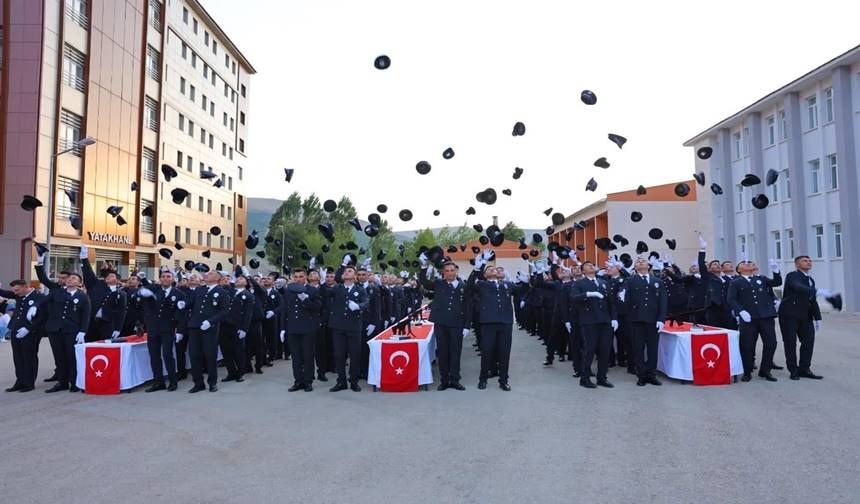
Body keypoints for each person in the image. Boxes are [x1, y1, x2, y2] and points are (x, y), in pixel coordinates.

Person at [467, 250, 525, 391]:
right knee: (487, 351)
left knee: (504, 352)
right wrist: (478, 268)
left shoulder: (507, 284)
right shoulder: (482, 284)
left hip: (505, 323)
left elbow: (522, 290)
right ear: (485, 275)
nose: (493, 269)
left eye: (494, 268)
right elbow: (469, 287)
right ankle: (483, 379)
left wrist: (528, 279)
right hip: (488, 323)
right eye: (490, 269)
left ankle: (503, 380)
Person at [35, 250, 90, 393]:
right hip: (55, 329)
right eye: (69, 278)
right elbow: (43, 301)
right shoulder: (57, 291)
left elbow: (85, 315)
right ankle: (62, 382)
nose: (70, 280)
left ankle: (74, 382)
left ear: (79, 283)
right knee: (59, 357)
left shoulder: (83, 297)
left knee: (71, 357)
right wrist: (33, 307)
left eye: (73, 278)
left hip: (71, 331)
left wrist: (83, 331)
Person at [418, 257, 471, 391]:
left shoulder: (463, 287)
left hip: (457, 324)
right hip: (441, 323)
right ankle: (444, 380)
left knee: (455, 352)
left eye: (452, 270)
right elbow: (424, 282)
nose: (450, 273)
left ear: (456, 272)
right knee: (442, 352)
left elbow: (468, 307)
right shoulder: (439, 284)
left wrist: (467, 326)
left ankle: (454, 379)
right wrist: (424, 266)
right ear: (443, 272)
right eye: (447, 271)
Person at [727, 259, 782, 382]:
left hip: (766, 316)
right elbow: (731, 299)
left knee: (771, 343)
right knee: (747, 345)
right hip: (748, 319)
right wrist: (740, 311)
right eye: (744, 264)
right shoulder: (736, 282)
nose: (748, 264)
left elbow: (777, 282)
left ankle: (765, 370)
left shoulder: (761, 278)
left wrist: (775, 270)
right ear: (739, 270)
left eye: (749, 263)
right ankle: (747, 371)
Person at [567, 261, 618, 388]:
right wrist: (588, 294)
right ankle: (584, 378)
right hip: (589, 321)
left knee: (605, 350)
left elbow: (611, 302)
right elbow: (573, 297)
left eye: (592, 265)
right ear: (583, 271)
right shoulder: (579, 283)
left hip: (605, 321)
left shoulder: (603, 282)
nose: (591, 266)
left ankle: (602, 377)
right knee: (589, 351)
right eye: (587, 266)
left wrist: (614, 318)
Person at [138, 269, 186, 392]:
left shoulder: (179, 294)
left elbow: (180, 314)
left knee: (167, 355)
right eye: (163, 276)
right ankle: (158, 382)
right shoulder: (155, 290)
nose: (165, 278)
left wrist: (180, 330)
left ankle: (173, 381)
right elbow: (145, 304)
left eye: (168, 276)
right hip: (153, 328)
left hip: (168, 328)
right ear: (160, 279)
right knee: (154, 356)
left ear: (173, 279)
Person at [623, 257, 667, 387]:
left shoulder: (657, 281)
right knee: (638, 349)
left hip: (653, 321)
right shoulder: (630, 280)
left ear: (649, 266)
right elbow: (625, 299)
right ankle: (641, 375)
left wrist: (661, 319)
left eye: (643, 261)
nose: (641, 262)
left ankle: (651, 374)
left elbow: (663, 302)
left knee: (653, 349)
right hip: (636, 320)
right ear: (635, 267)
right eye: (638, 262)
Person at [778, 256, 824, 380]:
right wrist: (814, 290)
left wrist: (818, 318)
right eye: (805, 260)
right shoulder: (792, 276)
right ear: (797, 264)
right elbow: (797, 286)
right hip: (789, 315)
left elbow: (812, 301)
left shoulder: (810, 280)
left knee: (808, 342)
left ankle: (804, 369)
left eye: (810, 260)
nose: (809, 262)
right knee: (790, 342)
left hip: (806, 316)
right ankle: (793, 370)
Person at [329, 261, 369, 392]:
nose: (347, 272)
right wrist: (341, 266)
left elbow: (366, 302)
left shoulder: (360, 289)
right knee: (339, 355)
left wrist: (359, 306)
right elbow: (325, 291)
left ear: (355, 276)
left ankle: (353, 381)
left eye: (350, 271)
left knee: (355, 355)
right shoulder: (337, 288)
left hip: (354, 327)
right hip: (338, 327)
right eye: (345, 271)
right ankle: (341, 381)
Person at [280, 268, 322, 392]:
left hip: (307, 328)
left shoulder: (312, 290)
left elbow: (317, 308)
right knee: (296, 357)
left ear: (306, 277)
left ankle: (308, 381)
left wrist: (306, 300)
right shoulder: (288, 291)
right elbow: (285, 310)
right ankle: (298, 381)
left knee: (308, 356)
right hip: (293, 328)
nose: (298, 279)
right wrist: (282, 328)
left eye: (301, 276)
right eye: (296, 276)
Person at [186, 270, 228, 393]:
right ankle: (198, 383)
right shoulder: (199, 289)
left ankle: (212, 382)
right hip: (194, 327)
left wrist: (211, 321)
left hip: (209, 328)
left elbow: (224, 311)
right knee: (194, 355)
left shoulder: (222, 292)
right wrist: (183, 304)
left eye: (210, 274)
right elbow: (191, 304)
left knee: (210, 355)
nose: (206, 275)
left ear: (217, 278)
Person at [1, 280, 46, 392]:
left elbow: (43, 316)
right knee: (18, 357)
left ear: (26, 287)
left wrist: (29, 328)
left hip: (30, 332)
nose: (15, 293)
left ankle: (29, 383)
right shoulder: (19, 295)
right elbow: (6, 293)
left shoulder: (38, 297)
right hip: (16, 330)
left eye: (17, 290)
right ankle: (20, 381)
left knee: (29, 357)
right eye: (14, 290)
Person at [80, 246, 127, 342]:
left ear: (118, 280)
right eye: (108, 276)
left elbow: (121, 312)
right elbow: (88, 273)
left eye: (113, 276)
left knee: (105, 350)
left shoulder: (121, 294)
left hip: (107, 325)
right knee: (90, 348)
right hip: (91, 323)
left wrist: (118, 328)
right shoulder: (96, 285)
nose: (110, 278)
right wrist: (84, 258)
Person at [220, 271, 254, 383]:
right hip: (225, 325)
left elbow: (248, 313)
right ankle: (231, 372)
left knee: (238, 351)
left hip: (238, 326)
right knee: (226, 350)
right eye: (237, 279)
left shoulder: (248, 295)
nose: (238, 280)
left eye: (241, 279)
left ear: (246, 283)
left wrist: (244, 329)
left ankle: (240, 373)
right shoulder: (229, 291)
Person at [357, 267, 381, 380]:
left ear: (367, 276)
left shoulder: (373, 288)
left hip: (369, 322)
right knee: (357, 348)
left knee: (367, 348)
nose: (361, 276)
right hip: (357, 321)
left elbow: (377, 308)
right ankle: (358, 371)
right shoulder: (356, 288)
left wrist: (374, 323)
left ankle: (367, 371)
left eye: (363, 274)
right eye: (359, 274)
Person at [260, 272, 282, 368]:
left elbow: (281, 305)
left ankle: (270, 357)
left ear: (273, 282)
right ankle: (262, 358)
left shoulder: (276, 293)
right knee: (261, 339)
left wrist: (273, 312)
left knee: (271, 339)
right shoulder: (260, 291)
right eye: (264, 278)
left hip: (271, 319)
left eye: (268, 278)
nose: (266, 280)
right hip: (261, 318)